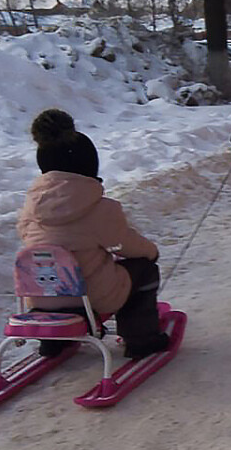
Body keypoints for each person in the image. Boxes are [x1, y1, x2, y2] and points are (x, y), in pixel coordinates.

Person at [18, 109, 169, 358]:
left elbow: (27, 236)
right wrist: (151, 252)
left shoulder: (31, 209)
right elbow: (126, 244)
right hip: (88, 300)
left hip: (40, 298)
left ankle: (53, 342)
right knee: (142, 269)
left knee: (54, 264)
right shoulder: (98, 208)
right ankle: (141, 338)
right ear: (88, 165)